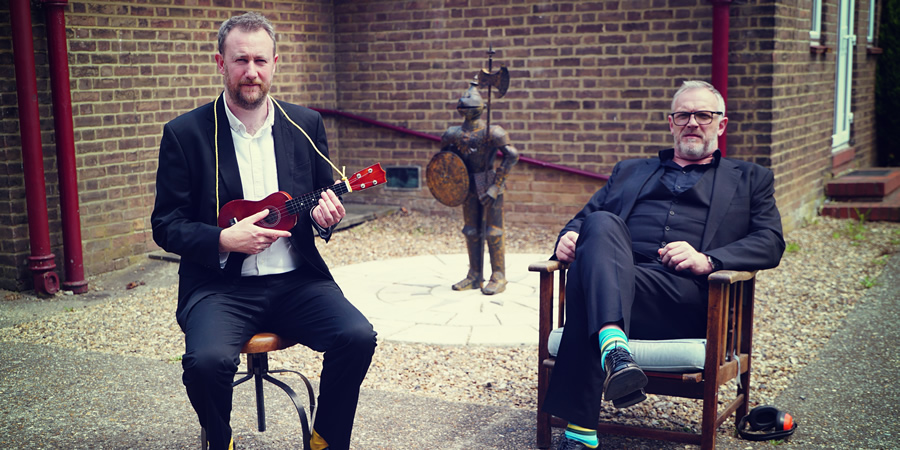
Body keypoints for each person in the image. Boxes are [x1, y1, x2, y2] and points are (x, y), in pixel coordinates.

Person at [151, 12, 376, 450]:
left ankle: (326, 440)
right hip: (219, 287)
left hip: (296, 282)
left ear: (275, 62)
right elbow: (166, 224)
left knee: (357, 336)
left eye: (260, 60)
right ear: (220, 63)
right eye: (240, 61)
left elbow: (314, 205)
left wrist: (324, 218)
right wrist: (220, 240)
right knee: (205, 362)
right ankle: (221, 441)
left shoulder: (305, 125)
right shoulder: (185, 134)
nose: (250, 72)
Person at [545, 80, 785, 450]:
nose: (693, 122)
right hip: (618, 283)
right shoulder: (629, 171)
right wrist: (567, 237)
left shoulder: (752, 179)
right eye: (683, 115)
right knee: (602, 223)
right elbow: (583, 219)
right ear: (671, 123)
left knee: (586, 287)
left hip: (682, 296)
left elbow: (770, 242)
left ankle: (579, 430)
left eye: (703, 115)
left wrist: (708, 260)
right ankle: (614, 348)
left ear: (721, 125)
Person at [440, 80, 519, 295]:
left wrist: (495, 186)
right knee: (471, 230)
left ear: (482, 108)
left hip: (489, 180)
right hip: (466, 183)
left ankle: (498, 275)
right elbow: (445, 160)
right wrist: (451, 184)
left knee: (494, 232)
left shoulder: (493, 132)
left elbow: (511, 156)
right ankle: (475, 275)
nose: (467, 110)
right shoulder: (453, 133)